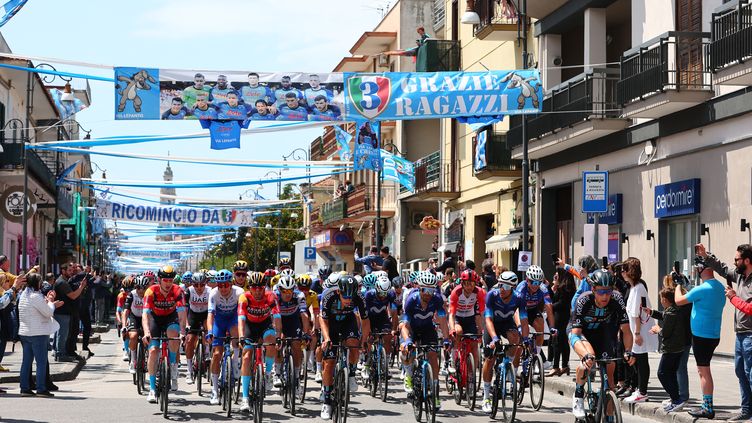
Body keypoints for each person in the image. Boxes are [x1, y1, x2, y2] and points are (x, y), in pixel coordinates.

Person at [570, 269, 635, 419]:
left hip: (603, 334)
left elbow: (626, 330)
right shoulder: (584, 300)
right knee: (589, 358)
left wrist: (629, 350)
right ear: (593, 289)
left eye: (608, 291)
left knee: (610, 382)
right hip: (581, 333)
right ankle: (579, 393)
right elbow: (575, 335)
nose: (605, 296)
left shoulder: (617, 299)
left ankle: (610, 416)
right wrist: (585, 355)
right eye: (600, 292)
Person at [696, 243, 748, 421]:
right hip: (740, 334)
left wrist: (733, 297)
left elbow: (749, 308)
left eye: (737, 259)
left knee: (750, 374)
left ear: (747, 260)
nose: (734, 263)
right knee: (741, 372)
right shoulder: (740, 276)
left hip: (750, 334)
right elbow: (723, 269)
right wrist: (706, 256)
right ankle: (746, 410)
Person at [319, 274, 370, 419]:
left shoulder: (359, 297)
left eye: (351, 297)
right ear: (338, 291)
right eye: (345, 297)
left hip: (348, 322)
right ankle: (327, 402)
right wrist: (327, 338)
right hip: (331, 324)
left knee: (354, 344)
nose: (348, 300)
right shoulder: (328, 296)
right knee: (329, 363)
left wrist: (364, 340)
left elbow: (366, 321)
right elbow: (323, 319)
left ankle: (352, 374)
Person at [400, 271, 450, 410]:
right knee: (406, 350)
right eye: (424, 290)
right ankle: (409, 375)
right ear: (419, 288)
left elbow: (443, 321)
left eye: (431, 290)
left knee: (433, 357)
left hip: (428, 329)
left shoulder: (437, 299)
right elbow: (405, 325)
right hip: (412, 328)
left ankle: (435, 394)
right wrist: (407, 341)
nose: (428, 293)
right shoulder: (411, 299)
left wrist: (446, 339)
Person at [481, 271, 529, 413]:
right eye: (501, 285)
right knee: (490, 358)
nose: (502, 289)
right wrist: (495, 338)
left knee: (516, 338)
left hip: (507, 322)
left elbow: (524, 322)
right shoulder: (492, 295)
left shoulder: (519, 298)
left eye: (506, 287)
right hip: (492, 325)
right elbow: (488, 319)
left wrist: (525, 339)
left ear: (513, 288)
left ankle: (507, 364)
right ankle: (486, 397)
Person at [142, 265, 187, 403]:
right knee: (154, 350)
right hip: (155, 319)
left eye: (171, 280)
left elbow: (181, 314)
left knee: (173, 334)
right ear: (159, 280)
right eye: (165, 280)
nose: (168, 283)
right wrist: (147, 332)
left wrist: (183, 332)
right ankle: (152, 389)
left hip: (170, 318)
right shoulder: (151, 291)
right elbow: (145, 315)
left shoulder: (178, 290)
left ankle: (173, 366)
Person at [238, 271, 281, 411]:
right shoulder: (244, 297)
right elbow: (241, 319)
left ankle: (268, 374)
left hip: (265, 325)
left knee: (271, 340)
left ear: (265, 287)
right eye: (254, 287)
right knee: (246, 356)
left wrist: (279, 336)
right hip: (250, 326)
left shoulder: (271, 297)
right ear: (249, 287)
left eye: (260, 287)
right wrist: (241, 337)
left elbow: (277, 317)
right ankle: (245, 398)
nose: (257, 291)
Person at [18, 273, 63, 397]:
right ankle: (41, 388)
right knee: (41, 362)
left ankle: (24, 388)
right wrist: (51, 302)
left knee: (26, 361)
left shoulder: (23, 295)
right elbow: (48, 312)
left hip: (25, 332)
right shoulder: (35, 296)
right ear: (37, 283)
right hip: (37, 332)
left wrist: (50, 303)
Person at [621, 257, 658, 404]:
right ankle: (639, 389)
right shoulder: (634, 288)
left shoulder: (638, 289)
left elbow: (637, 313)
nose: (622, 273)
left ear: (630, 272)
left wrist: (636, 334)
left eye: (624, 270)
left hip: (639, 331)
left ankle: (642, 392)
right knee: (636, 361)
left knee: (641, 361)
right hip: (636, 331)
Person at [206, 269, 245, 405]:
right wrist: (210, 331)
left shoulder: (239, 292)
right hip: (220, 321)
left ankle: (235, 364)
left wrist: (242, 334)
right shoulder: (213, 293)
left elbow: (242, 315)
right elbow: (210, 315)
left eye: (225, 285)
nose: (223, 288)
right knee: (216, 354)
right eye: (220, 285)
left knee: (236, 335)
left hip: (234, 319)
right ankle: (214, 390)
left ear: (230, 283)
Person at [646, 287, 688, 413]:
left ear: (665, 299)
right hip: (678, 348)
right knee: (671, 373)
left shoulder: (671, 313)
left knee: (662, 373)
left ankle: (676, 399)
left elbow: (665, 333)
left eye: (661, 298)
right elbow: (663, 315)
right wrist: (651, 312)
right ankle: (675, 398)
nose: (660, 300)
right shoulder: (674, 310)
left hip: (671, 349)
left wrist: (657, 330)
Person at [515, 265, 557, 368]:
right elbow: (516, 310)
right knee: (520, 341)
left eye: (538, 282)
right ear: (527, 280)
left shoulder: (543, 289)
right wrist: (520, 326)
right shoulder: (521, 288)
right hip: (521, 310)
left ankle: (536, 355)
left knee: (540, 326)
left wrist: (552, 327)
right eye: (533, 282)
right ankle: (514, 369)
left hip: (533, 310)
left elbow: (549, 308)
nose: (535, 285)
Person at [54, 263, 84, 361]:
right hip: (62, 312)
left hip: (65, 312)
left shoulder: (64, 281)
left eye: (72, 270)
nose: (72, 272)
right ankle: (60, 354)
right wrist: (81, 287)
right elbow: (73, 295)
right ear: (63, 271)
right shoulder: (62, 282)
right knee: (62, 334)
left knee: (63, 333)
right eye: (69, 270)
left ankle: (61, 352)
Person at [548, 268, 575, 377]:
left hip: (559, 317)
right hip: (565, 317)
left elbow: (559, 303)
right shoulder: (570, 287)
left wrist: (549, 307)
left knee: (557, 342)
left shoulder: (563, 288)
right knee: (564, 342)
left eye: (557, 275)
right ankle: (564, 366)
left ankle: (555, 367)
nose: (556, 277)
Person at [183, 271, 209, 385]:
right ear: (192, 284)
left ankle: (207, 351)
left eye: (202, 284)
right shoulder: (188, 291)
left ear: (205, 283)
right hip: (193, 315)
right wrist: (187, 325)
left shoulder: (210, 291)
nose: (199, 287)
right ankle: (189, 370)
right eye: (196, 285)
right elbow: (185, 310)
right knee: (189, 340)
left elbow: (213, 310)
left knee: (207, 330)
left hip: (206, 314)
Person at [123, 275, 148, 375]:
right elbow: (125, 311)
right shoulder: (132, 295)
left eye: (143, 288)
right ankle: (133, 361)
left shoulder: (150, 294)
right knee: (133, 336)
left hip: (146, 318)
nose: (141, 290)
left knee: (150, 339)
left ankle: (148, 357)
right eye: (138, 287)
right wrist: (124, 325)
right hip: (135, 317)